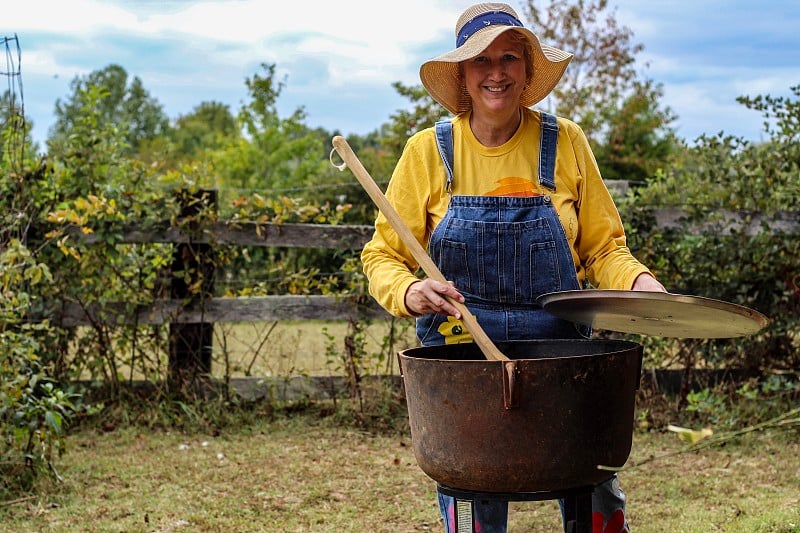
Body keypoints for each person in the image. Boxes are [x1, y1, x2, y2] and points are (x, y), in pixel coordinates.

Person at [361, 3, 666, 532]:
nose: (496, 72)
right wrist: (412, 292)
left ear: (526, 69)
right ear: (461, 75)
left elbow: (602, 249)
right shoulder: (428, 151)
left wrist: (641, 284)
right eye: (481, 61)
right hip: (458, 342)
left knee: (590, 469)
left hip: (557, 341)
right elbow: (382, 255)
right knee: (473, 475)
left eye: (509, 58)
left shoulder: (565, 141)